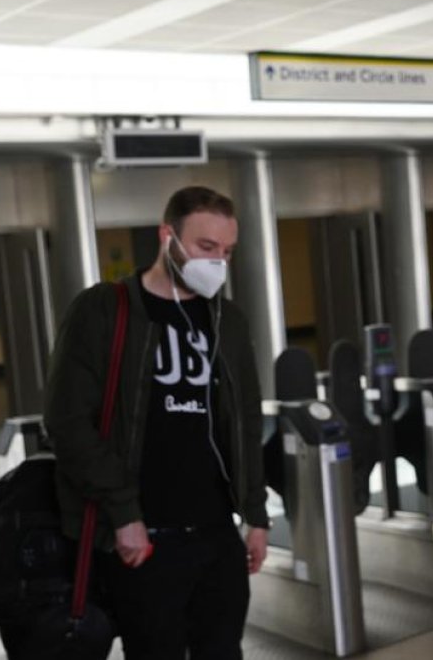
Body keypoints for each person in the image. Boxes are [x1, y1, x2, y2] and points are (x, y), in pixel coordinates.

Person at [45, 186, 269, 659]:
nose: (217, 263)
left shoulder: (228, 321)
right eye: (206, 248)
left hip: (215, 535)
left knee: (223, 650)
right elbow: (67, 422)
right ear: (167, 236)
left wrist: (256, 513)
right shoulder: (105, 310)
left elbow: (246, 417)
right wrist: (124, 515)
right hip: (143, 542)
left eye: (227, 252)